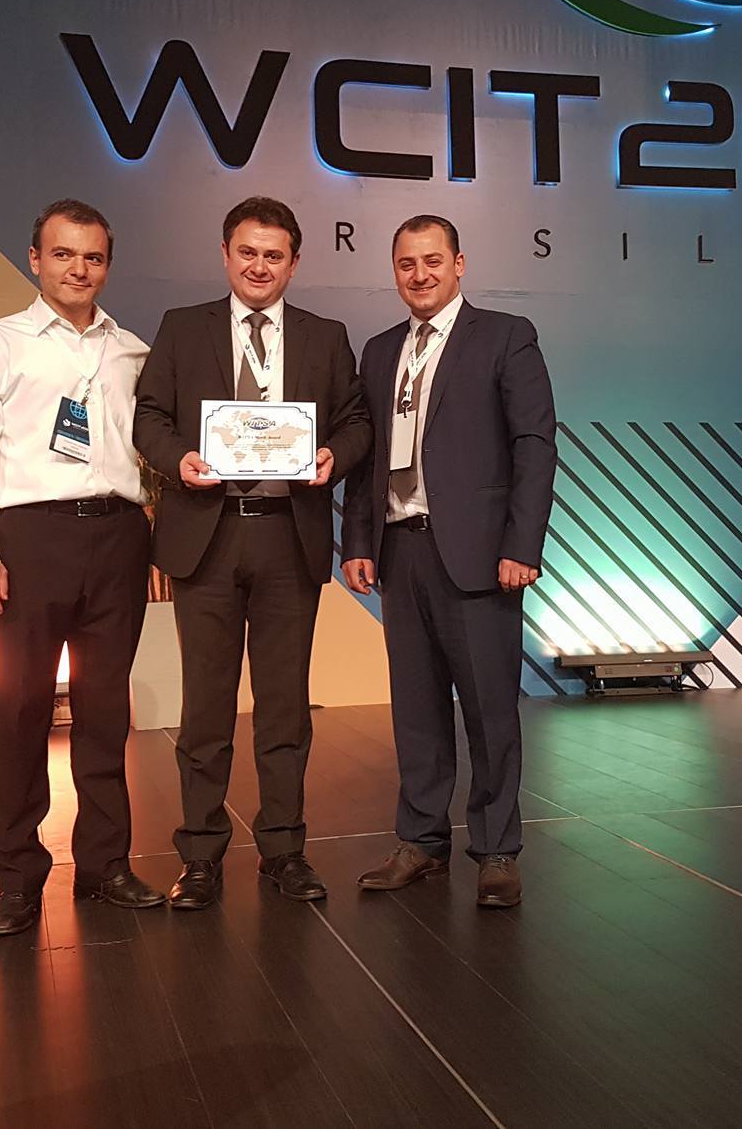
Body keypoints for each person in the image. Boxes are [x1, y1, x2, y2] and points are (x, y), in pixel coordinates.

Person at [134, 196, 371, 908]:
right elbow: (149, 415)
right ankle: (201, 855)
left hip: (287, 535)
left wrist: (334, 455)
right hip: (206, 535)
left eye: (274, 255)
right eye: (247, 252)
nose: (259, 266)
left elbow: (357, 420)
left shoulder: (326, 336)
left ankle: (284, 851)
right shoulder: (182, 328)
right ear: (225, 254)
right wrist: (179, 460)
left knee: (285, 709)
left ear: (294, 262)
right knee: (206, 709)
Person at [0, 200, 161, 937]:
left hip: (118, 538)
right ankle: (17, 878)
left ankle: (105, 865)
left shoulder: (132, 351)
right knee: (22, 710)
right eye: (63, 254)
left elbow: (147, 451)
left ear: (108, 266)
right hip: (31, 540)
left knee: (106, 711)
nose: (78, 269)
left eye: (93, 257)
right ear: (35, 259)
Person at [341, 215, 556, 907]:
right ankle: (421, 841)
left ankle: (496, 849)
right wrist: (358, 541)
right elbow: (367, 458)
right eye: (407, 263)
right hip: (401, 550)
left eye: (433, 260)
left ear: (459, 263)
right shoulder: (380, 351)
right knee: (416, 710)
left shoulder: (505, 336)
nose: (420, 274)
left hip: (480, 556)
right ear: (394, 271)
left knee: (490, 710)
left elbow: (533, 445)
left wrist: (521, 546)